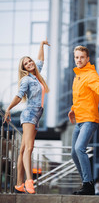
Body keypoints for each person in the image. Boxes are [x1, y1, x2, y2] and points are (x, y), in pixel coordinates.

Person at [4, 39, 50, 194]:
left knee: (23, 149)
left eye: (30, 60)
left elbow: (41, 60)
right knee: (29, 148)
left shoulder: (36, 76)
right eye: (26, 63)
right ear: (23, 68)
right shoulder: (26, 79)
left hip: (37, 115)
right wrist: (8, 109)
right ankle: (29, 181)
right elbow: (19, 95)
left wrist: (41, 45)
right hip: (30, 113)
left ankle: (18, 184)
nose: (29, 63)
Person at [68, 45, 99, 195]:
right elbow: (79, 98)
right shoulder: (77, 76)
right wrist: (73, 110)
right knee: (74, 154)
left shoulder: (90, 74)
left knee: (79, 148)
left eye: (82, 57)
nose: (79, 60)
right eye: (77, 57)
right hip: (80, 120)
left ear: (88, 59)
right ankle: (86, 184)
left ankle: (88, 184)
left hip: (89, 119)